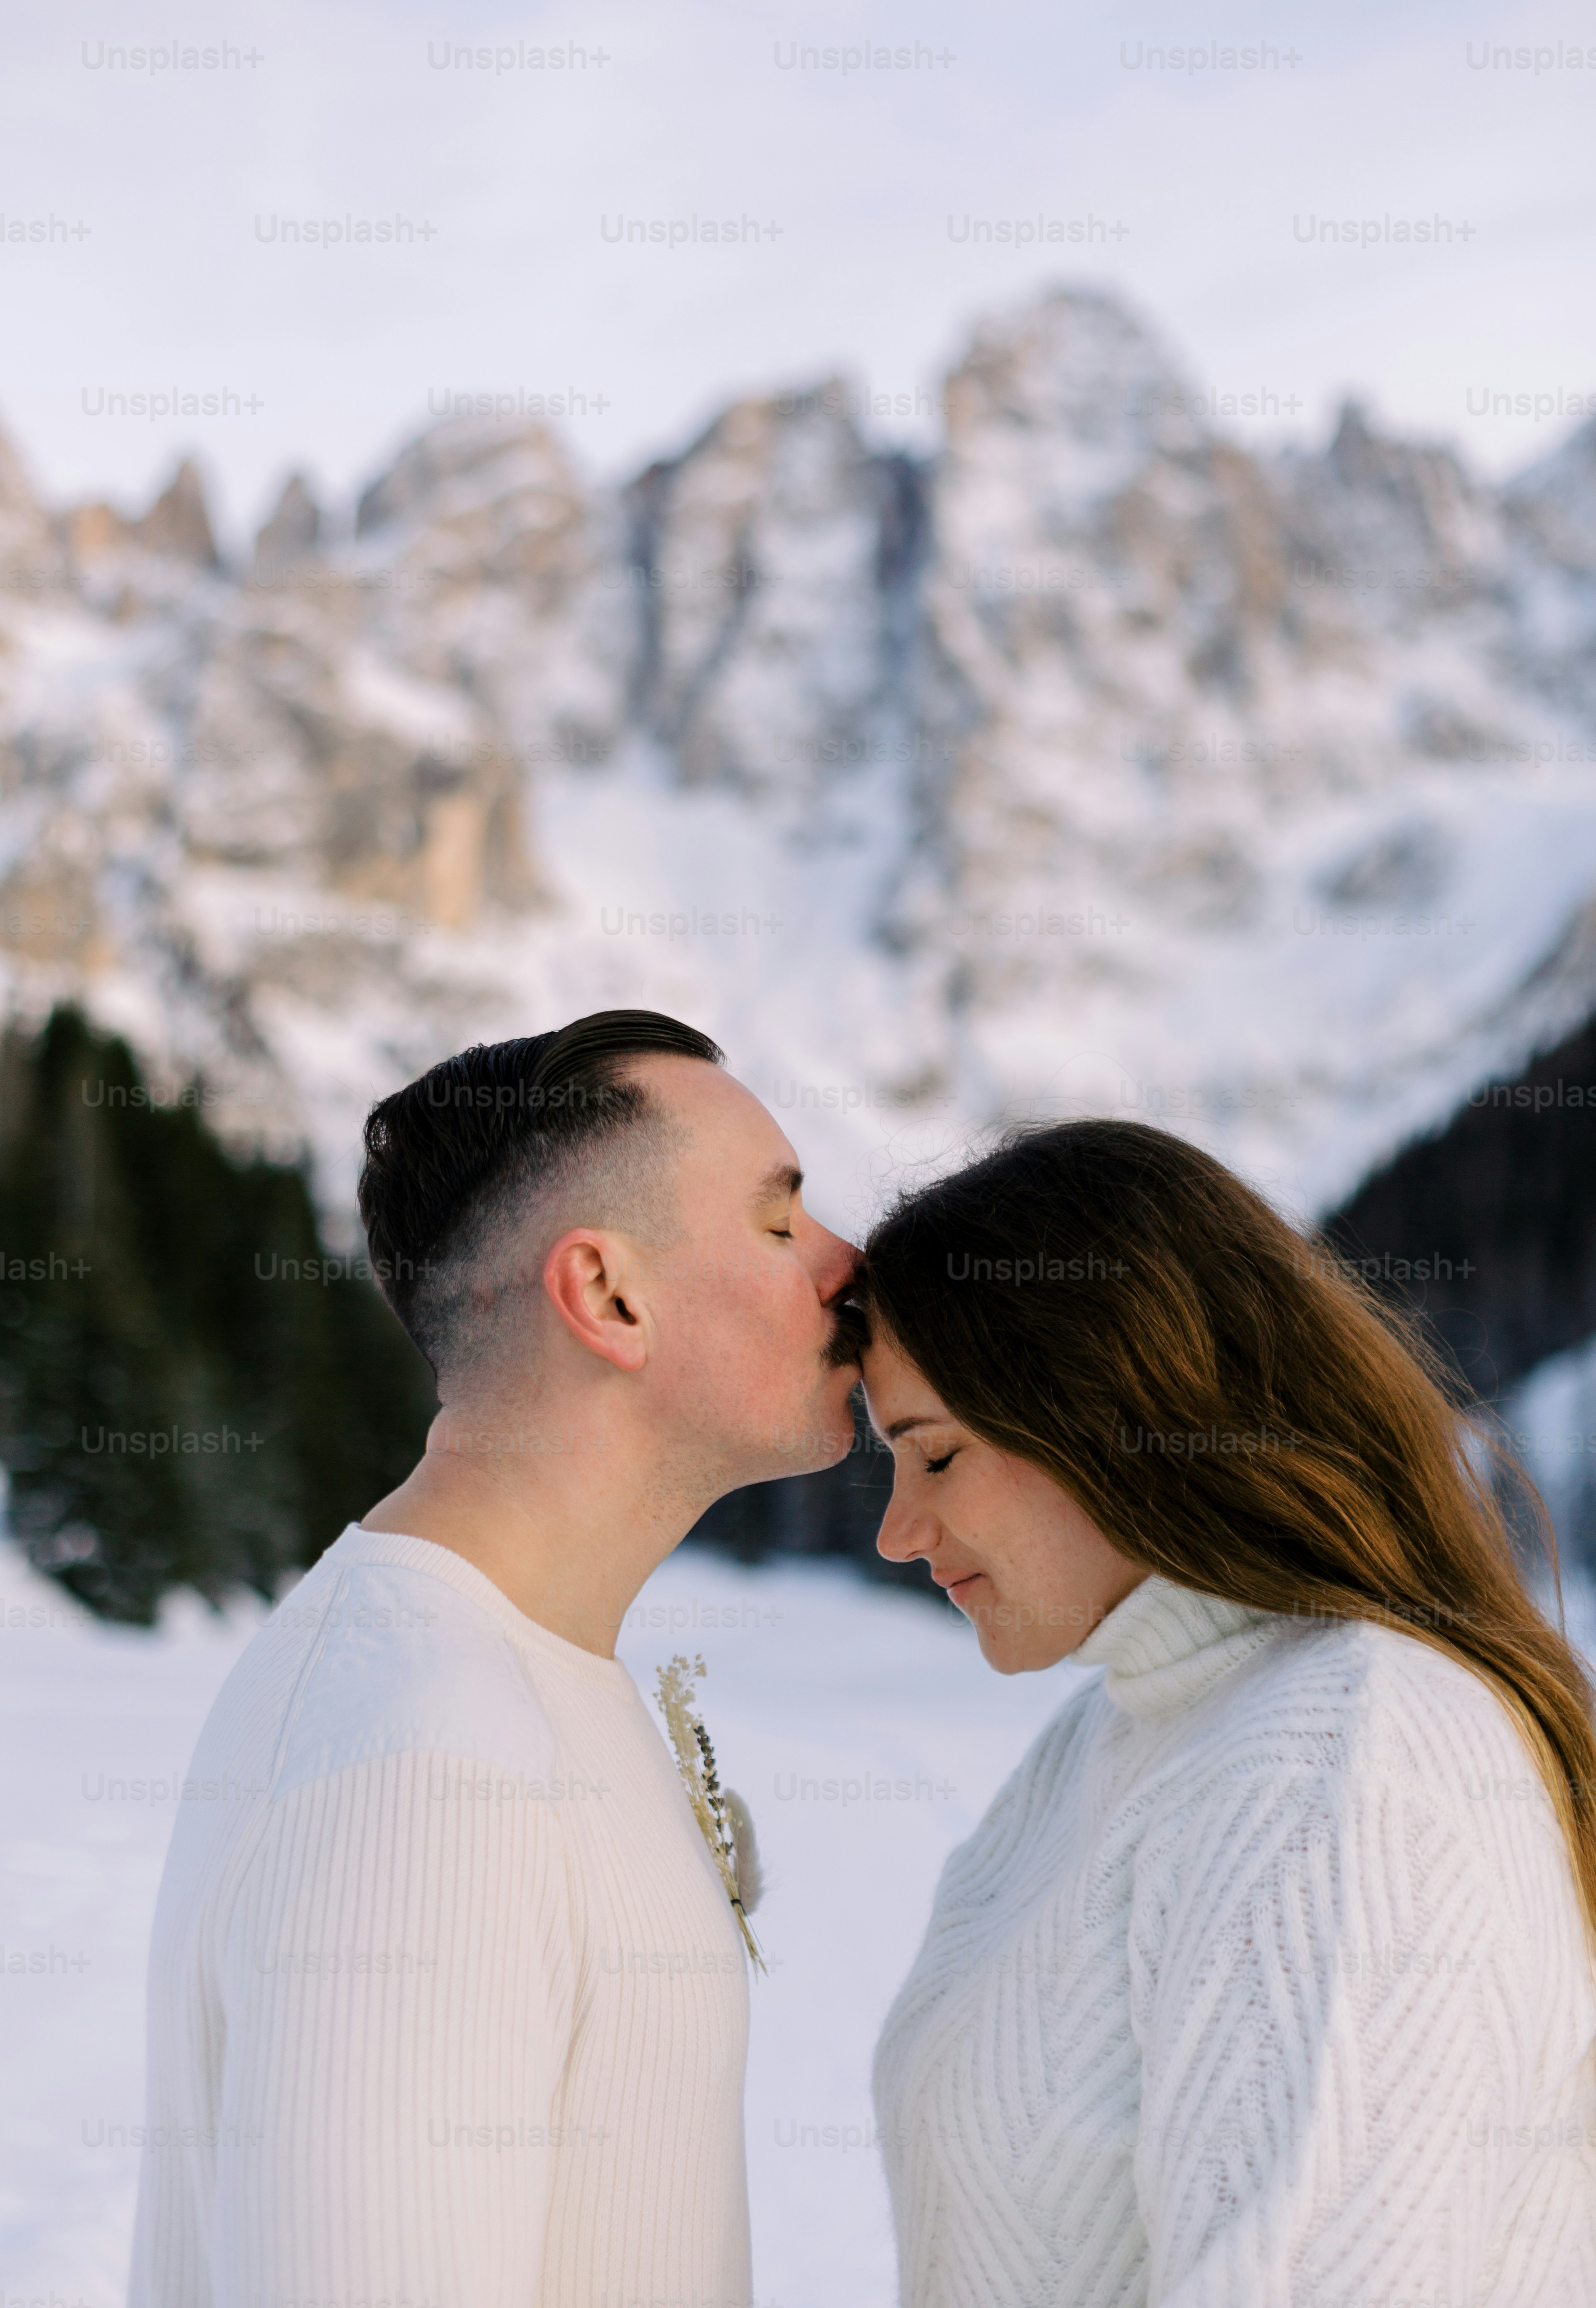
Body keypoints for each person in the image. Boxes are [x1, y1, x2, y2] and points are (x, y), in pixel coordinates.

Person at [128, 1010, 860, 2308]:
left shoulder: (503, 1676)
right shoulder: (427, 1760)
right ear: (608, 1295)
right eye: (780, 1222)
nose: (847, 1264)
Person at [860, 1119, 1596, 2308]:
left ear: (1107, 1403)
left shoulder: (1337, 1765)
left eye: (934, 1456)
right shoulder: (1135, 1728)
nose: (897, 1531)